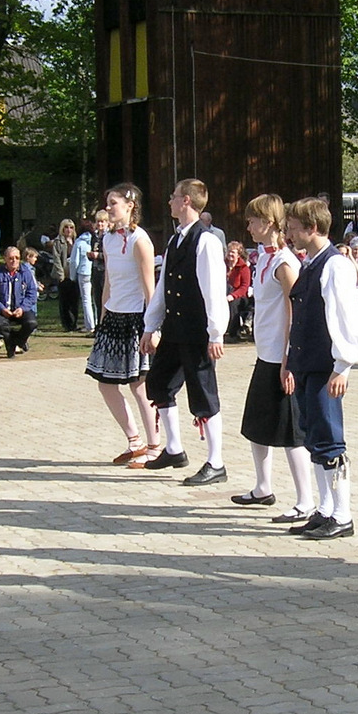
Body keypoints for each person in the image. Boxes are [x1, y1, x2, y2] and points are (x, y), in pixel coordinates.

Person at [284, 197, 358, 539]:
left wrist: (343, 365)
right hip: (307, 364)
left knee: (330, 439)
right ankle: (325, 508)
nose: (289, 234)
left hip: (325, 366)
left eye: (294, 229)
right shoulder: (310, 263)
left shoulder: (335, 265)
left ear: (313, 228)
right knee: (314, 436)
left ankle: (343, 514)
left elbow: (347, 317)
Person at [141, 178, 230, 485]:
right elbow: (163, 287)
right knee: (159, 383)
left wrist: (216, 333)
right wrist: (150, 325)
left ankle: (216, 462)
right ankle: (174, 449)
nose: (170, 201)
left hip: (196, 332)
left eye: (174, 196)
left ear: (187, 201)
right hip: (174, 329)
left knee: (203, 394)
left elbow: (214, 290)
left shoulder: (206, 241)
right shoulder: (175, 240)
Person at [233, 194, 315, 520]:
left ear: (268, 223)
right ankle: (262, 486)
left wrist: (288, 360)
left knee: (291, 431)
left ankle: (306, 500)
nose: (249, 226)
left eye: (253, 220)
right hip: (265, 354)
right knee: (257, 423)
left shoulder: (284, 262)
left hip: (281, 357)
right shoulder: (263, 259)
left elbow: (296, 312)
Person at [85, 184, 161, 467]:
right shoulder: (107, 239)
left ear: (130, 206)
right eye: (107, 203)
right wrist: (102, 316)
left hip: (135, 319)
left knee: (139, 385)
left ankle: (155, 446)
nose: (108, 208)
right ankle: (135, 441)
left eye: (113, 203)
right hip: (113, 318)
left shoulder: (141, 240)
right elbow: (108, 281)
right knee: (105, 384)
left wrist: (153, 327)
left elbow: (150, 289)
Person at [0, 246, 39, 357]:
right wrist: (2, 308)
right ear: (5, 259)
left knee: (31, 323)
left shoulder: (25, 273)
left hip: (20, 309)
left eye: (17, 258)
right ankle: (11, 343)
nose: (14, 261)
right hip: (2, 310)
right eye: (11, 258)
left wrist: (22, 308)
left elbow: (32, 294)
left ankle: (16, 341)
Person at [51, 219, 79, 331]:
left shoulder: (76, 241)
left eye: (71, 227)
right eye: (66, 227)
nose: (69, 230)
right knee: (64, 302)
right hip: (63, 275)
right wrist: (61, 275)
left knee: (74, 301)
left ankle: (74, 323)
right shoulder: (58, 241)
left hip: (74, 275)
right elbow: (56, 259)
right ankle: (67, 324)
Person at [71, 219, 96, 333]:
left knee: (86, 300)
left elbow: (74, 261)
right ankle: (97, 322)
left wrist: (72, 276)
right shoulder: (94, 240)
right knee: (95, 300)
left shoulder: (79, 242)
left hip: (83, 272)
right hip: (94, 271)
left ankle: (90, 325)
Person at [224, 239, 252, 342]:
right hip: (224, 292)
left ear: (238, 255)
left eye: (233, 252)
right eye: (229, 251)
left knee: (233, 304)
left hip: (240, 296)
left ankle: (232, 332)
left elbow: (244, 287)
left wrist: (232, 296)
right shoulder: (222, 265)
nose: (230, 254)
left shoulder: (244, 268)